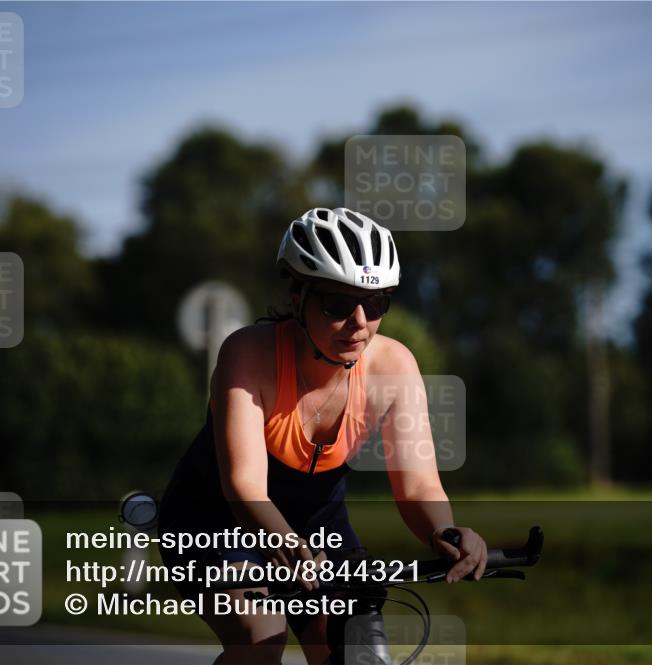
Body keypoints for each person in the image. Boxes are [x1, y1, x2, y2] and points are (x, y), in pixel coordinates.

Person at [157, 207, 487, 665]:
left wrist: (443, 532)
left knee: (356, 647)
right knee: (261, 635)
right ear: (297, 297)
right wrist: (286, 545)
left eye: (375, 305)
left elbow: (418, 486)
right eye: (337, 303)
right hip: (216, 521)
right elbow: (245, 488)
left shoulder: (393, 367)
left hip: (318, 523)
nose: (358, 322)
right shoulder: (248, 354)